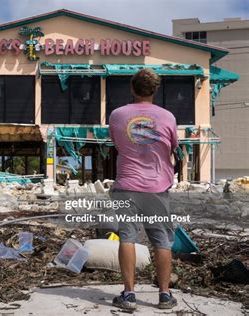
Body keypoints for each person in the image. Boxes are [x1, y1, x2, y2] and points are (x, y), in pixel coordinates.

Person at [108, 68, 178, 311]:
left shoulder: (117, 115)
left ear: (132, 88)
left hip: (126, 185)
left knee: (126, 237)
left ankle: (128, 295)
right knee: (162, 240)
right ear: (154, 90)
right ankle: (165, 295)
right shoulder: (168, 117)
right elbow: (171, 149)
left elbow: (117, 144)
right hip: (157, 188)